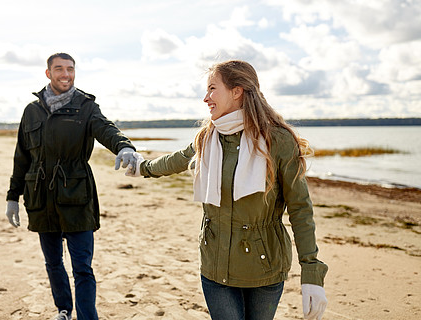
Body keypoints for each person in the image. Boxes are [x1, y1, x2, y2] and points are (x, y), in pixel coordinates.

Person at [126, 60, 328, 320]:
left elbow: (300, 209)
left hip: (265, 267)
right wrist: (142, 167)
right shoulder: (208, 137)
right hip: (214, 264)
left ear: (237, 91)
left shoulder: (277, 140)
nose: (205, 98)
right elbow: (176, 160)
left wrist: (311, 271)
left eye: (212, 89)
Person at [5, 53, 137, 320]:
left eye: (70, 69)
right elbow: (22, 157)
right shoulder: (31, 110)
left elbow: (107, 129)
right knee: (53, 263)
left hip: (77, 196)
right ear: (48, 73)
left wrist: (124, 145)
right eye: (59, 69)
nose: (66, 74)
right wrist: (12, 196)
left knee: (82, 268)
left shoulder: (86, 106)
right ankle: (64, 310)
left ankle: (88, 317)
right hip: (40, 198)